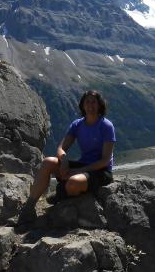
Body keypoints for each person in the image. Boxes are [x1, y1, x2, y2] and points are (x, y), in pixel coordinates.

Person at [19, 90, 115, 223]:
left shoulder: (106, 126)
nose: (90, 105)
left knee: (73, 183)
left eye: (94, 102)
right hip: (83, 166)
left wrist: (79, 170)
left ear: (100, 105)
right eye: (87, 102)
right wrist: (64, 159)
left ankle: (60, 193)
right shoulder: (77, 124)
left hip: (101, 171)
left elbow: (105, 160)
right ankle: (29, 207)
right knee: (48, 162)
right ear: (83, 105)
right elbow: (61, 147)